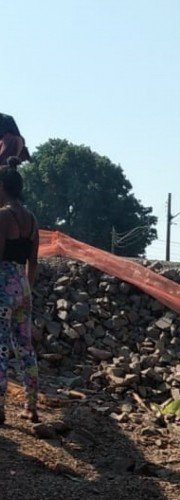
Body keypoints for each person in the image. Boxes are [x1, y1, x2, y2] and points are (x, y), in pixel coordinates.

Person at [0, 156, 39, 425]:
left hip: (2, 286)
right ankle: (31, 407)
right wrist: (27, 290)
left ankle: (0, 409)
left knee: (0, 349)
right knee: (26, 349)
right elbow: (33, 262)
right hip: (24, 288)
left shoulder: (3, 216)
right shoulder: (31, 219)